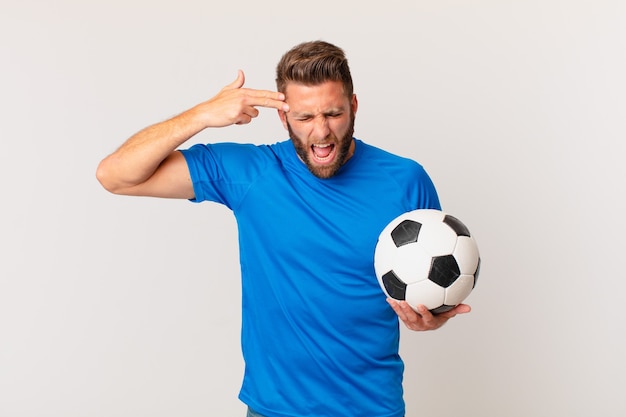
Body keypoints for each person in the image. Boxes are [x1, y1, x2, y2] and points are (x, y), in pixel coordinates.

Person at [96, 40, 470, 417]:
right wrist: (202, 115)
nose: (321, 132)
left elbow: (426, 283)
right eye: (305, 117)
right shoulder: (252, 174)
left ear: (354, 107)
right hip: (274, 410)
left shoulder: (405, 180)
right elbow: (115, 176)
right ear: (283, 116)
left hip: (371, 408)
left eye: (333, 113)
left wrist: (430, 319)